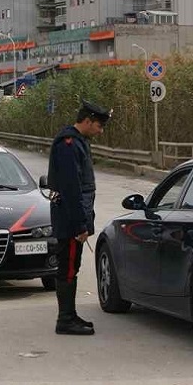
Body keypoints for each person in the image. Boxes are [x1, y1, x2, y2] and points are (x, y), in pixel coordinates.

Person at [47, 100, 112, 336]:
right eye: (98, 126)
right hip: (70, 222)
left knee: (71, 267)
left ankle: (70, 315)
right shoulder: (69, 144)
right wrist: (80, 225)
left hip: (72, 219)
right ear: (87, 121)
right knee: (67, 268)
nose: (100, 131)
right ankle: (65, 319)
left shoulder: (78, 142)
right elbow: (71, 189)